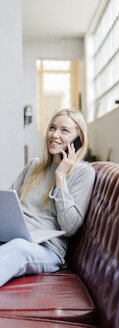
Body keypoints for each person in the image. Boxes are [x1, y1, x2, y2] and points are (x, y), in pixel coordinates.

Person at [0, 109, 95, 287]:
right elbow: (8, 204)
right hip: (15, 237)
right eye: (52, 128)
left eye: (64, 130)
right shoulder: (34, 165)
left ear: (78, 139)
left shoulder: (84, 172)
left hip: (46, 249)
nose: (54, 135)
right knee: (17, 244)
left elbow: (70, 227)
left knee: (19, 249)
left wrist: (60, 176)